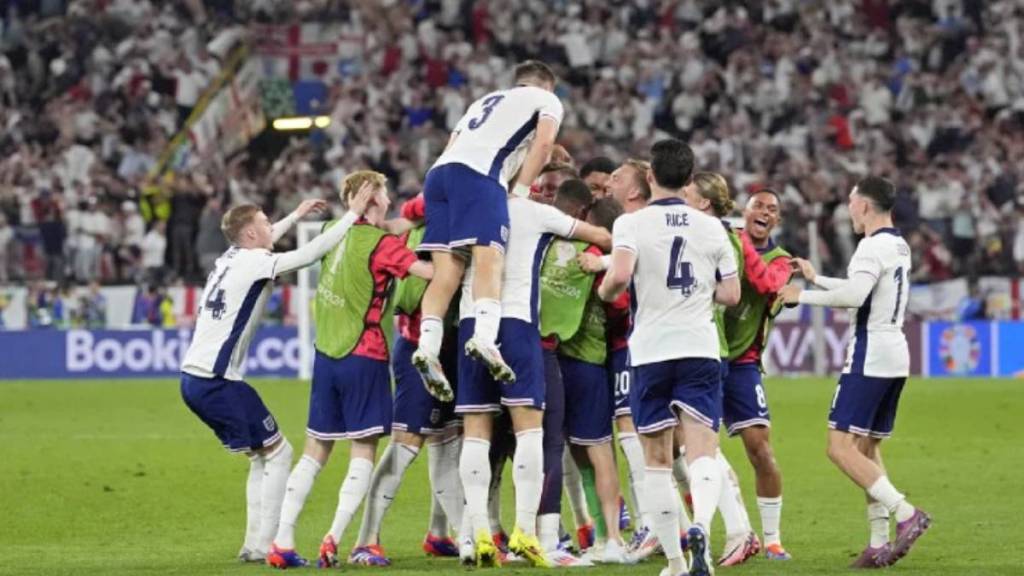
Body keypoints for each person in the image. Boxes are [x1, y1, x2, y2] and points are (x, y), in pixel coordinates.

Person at [179, 192, 370, 564]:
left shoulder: (230, 257)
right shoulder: (255, 263)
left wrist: (295, 215)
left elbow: (264, 239)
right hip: (218, 380)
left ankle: (254, 545)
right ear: (251, 234)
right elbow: (309, 255)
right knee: (279, 453)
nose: (271, 226)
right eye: (265, 222)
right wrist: (352, 215)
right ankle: (269, 545)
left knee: (262, 456)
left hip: (195, 378)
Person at [267, 172, 434, 569]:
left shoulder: (330, 230)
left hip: (326, 356)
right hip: (365, 354)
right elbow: (429, 275)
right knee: (362, 452)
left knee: (315, 451)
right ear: (372, 196)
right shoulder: (382, 245)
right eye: (384, 191)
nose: (390, 197)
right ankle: (335, 538)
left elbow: (391, 224)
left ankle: (282, 541)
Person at [598, 139, 740, 576]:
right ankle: (702, 529)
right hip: (699, 347)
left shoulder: (631, 223)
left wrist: (605, 291)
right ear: (689, 177)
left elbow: (620, 275)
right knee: (702, 452)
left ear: (650, 176)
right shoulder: (712, 228)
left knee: (657, 462)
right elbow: (732, 294)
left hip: (651, 351)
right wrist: (700, 293)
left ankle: (677, 562)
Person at [781, 176, 930, 569]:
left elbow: (853, 296)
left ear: (864, 205)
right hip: (895, 352)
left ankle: (906, 513)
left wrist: (801, 295)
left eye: (850, 202)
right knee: (867, 449)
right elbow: (864, 291)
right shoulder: (897, 245)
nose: (848, 210)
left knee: (839, 448)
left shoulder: (869, 246)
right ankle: (879, 543)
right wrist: (815, 278)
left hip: (870, 354)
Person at [456, 189, 611, 568]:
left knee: (478, 434)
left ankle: (475, 535)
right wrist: (599, 255)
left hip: (472, 322)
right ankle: (536, 536)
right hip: (522, 329)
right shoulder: (538, 215)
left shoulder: (468, 205)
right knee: (539, 437)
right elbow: (604, 238)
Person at [413, 60, 564, 400]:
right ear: (546, 86)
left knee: (446, 273)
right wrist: (520, 191)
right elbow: (544, 145)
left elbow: (451, 145)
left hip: (438, 177)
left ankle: (427, 348)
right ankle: (484, 338)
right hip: (480, 176)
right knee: (489, 260)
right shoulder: (547, 100)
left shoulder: (484, 101)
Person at [348, 194, 465, 566]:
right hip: (418, 344)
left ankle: (440, 534)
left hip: (454, 344)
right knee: (407, 442)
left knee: (450, 441)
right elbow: (408, 215)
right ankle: (365, 540)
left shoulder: (478, 206)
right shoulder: (441, 198)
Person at [681, 172, 765, 567]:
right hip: (697, 346)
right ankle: (736, 529)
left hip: (703, 347)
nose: (680, 197)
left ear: (703, 202)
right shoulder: (710, 233)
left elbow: (730, 293)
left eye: (687, 193)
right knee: (691, 445)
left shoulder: (720, 237)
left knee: (698, 445)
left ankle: (738, 529)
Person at [722, 187, 795, 562]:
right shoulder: (721, 240)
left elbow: (768, 283)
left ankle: (772, 540)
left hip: (742, 363)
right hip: (702, 355)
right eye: (758, 206)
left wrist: (736, 240)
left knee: (761, 450)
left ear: (777, 220)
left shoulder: (782, 261)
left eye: (772, 209)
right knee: (677, 450)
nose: (765, 212)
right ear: (744, 211)